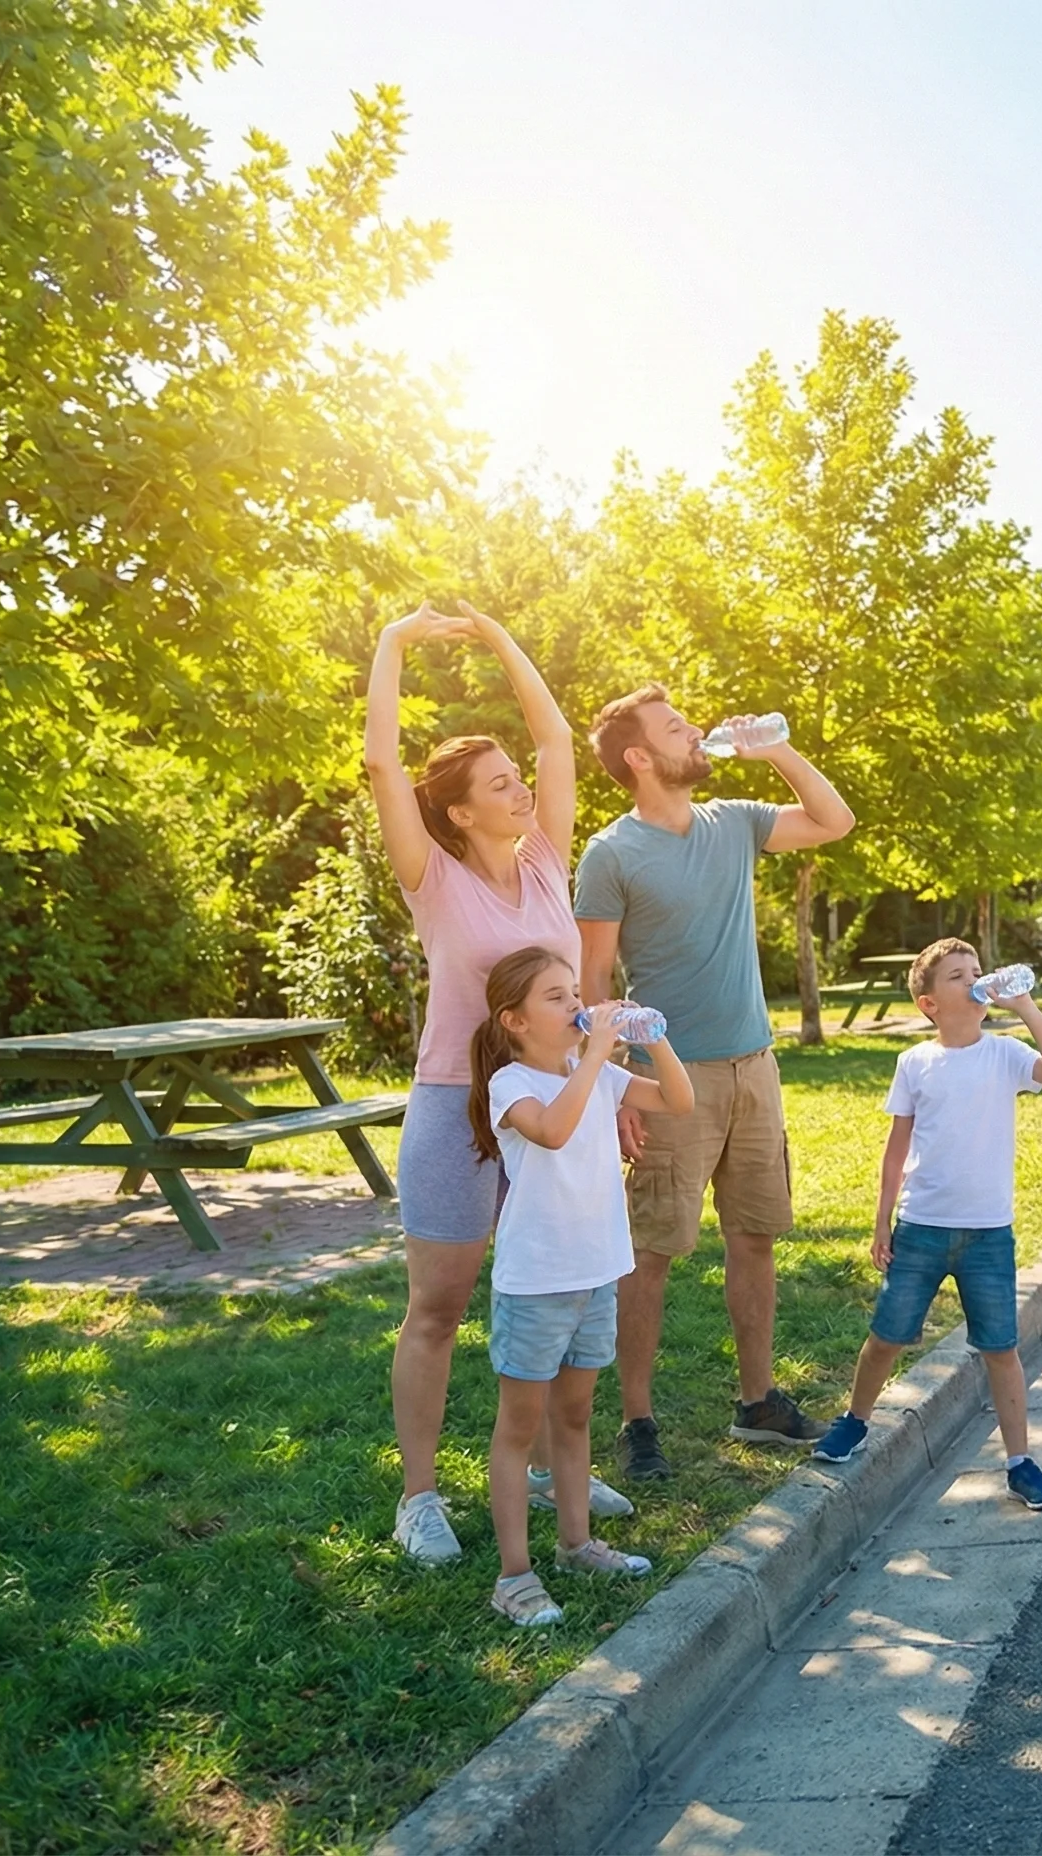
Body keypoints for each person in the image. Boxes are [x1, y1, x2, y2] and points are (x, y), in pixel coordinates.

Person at [363, 599, 628, 1566]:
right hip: (457, 1107)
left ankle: (554, 1470)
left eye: (519, 780)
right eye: (499, 784)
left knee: (561, 1286)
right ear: (460, 811)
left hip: (555, 1101)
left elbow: (555, 737)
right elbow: (382, 765)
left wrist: (498, 636)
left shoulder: (548, 860)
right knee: (438, 1307)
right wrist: (394, 641)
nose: (521, 789)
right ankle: (420, 1497)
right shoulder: (431, 877)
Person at [574, 685, 855, 1477]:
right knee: (651, 1250)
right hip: (669, 1078)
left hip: (754, 1066)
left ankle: (758, 1403)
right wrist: (614, 1087)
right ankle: (637, 1421)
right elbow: (593, 980)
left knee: (755, 1236)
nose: (695, 733)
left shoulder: (733, 821)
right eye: (676, 728)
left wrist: (775, 749)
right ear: (638, 757)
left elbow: (834, 821)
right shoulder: (611, 853)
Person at [468, 946, 694, 1626]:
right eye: (557, 997)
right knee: (519, 1429)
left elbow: (679, 1100)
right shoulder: (512, 1085)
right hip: (536, 1284)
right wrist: (595, 1055)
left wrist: (653, 1038)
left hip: (597, 1274)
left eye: (576, 992)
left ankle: (575, 1545)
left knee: (573, 1416)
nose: (575, 1004)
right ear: (514, 1021)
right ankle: (513, 1577)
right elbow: (554, 1132)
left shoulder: (593, 1071)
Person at [813, 938, 1042, 1510]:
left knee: (1001, 1348)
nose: (975, 980)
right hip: (922, 1227)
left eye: (977, 971)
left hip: (988, 1233)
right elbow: (896, 1150)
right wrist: (881, 1222)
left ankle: (1020, 1463)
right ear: (929, 1003)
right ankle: (855, 1421)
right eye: (959, 976)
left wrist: (1025, 1006)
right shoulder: (914, 1062)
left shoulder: (1005, 1054)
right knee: (887, 1336)